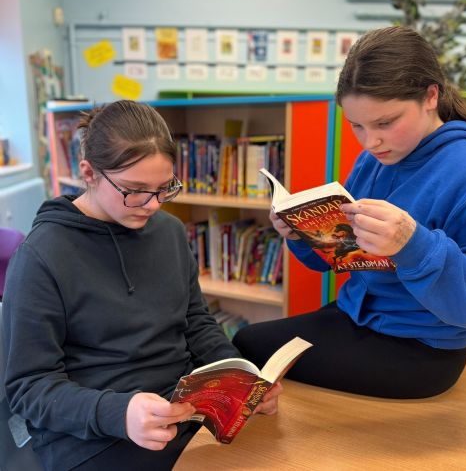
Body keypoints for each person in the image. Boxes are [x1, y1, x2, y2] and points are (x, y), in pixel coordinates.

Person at [2, 100, 282, 471]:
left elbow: (196, 323)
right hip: (92, 434)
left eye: (164, 188)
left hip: (180, 409)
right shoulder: (41, 256)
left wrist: (242, 380)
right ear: (88, 172)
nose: (152, 205)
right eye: (134, 190)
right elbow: (29, 387)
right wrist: (119, 413)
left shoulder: (169, 231)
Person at [233, 26, 466, 399]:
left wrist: (413, 245)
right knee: (243, 344)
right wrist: (302, 232)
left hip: (422, 348)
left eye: (385, 123)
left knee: (251, 355)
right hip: (355, 315)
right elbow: (343, 256)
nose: (371, 141)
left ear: (431, 96)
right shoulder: (374, 159)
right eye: (356, 125)